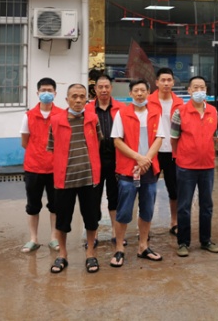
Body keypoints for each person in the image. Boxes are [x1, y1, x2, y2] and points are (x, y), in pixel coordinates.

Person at [47, 84, 103, 274]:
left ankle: (90, 254)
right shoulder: (55, 121)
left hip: (89, 178)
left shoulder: (93, 119)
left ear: (86, 99)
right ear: (67, 99)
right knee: (62, 220)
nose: (78, 100)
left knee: (91, 219)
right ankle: (62, 255)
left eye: (82, 97)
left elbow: (98, 141)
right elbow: (53, 147)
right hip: (65, 180)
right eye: (74, 97)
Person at [109, 79, 165, 267]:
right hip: (128, 169)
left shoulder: (156, 113)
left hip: (149, 170)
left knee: (147, 209)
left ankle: (143, 246)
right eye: (136, 90)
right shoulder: (122, 113)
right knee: (124, 210)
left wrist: (146, 159)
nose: (140, 93)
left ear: (148, 92)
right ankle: (119, 248)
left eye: (143, 90)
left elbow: (159, 138)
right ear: (130, 93)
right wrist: (138, 158)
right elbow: (117, 141)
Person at [170, 76, 218, 257]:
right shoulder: (180, 112)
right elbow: (174, 139)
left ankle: (206, 240)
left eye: (202, 87)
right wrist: (180, 157)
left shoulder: (213, 111)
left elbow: (214, 136)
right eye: (195, 87)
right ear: (189, 90)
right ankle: (183, 242)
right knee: (184, 205)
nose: (199, 91)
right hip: (186, 166)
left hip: (207, 166)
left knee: (207, 205)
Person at [19, 77, 61, 253]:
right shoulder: (28, 116)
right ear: (37, 93)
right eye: (43, 90)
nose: (46, 93)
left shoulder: (61, 115)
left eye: (50, 90)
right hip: (34, 168)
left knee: (56, 205)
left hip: (55, 168)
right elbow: (24, 142)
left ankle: (54, 238)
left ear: (55, 93)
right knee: (33, 205)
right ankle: (33, 239)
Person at [147, 67, 184, 237]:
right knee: (148, 189)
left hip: (172, 152)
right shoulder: (148, 102)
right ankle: (145, 223)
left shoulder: (179, 103)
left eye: (169, 80)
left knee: (174, 189)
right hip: (152, 152)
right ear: (157, 82)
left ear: (173, 82)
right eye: (163, 80)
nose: (166, 83)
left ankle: (174, 222)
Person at [92, 74, 124, 247]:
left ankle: (115, 232)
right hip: (95, 161)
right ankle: (93, 233)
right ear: (95, 89)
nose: (104, 90)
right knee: (93, 198)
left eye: (107, 87)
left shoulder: (121, 108)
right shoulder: (88, 109)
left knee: (115, 197)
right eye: (100, 87)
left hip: (115, 159)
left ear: (111, 88)